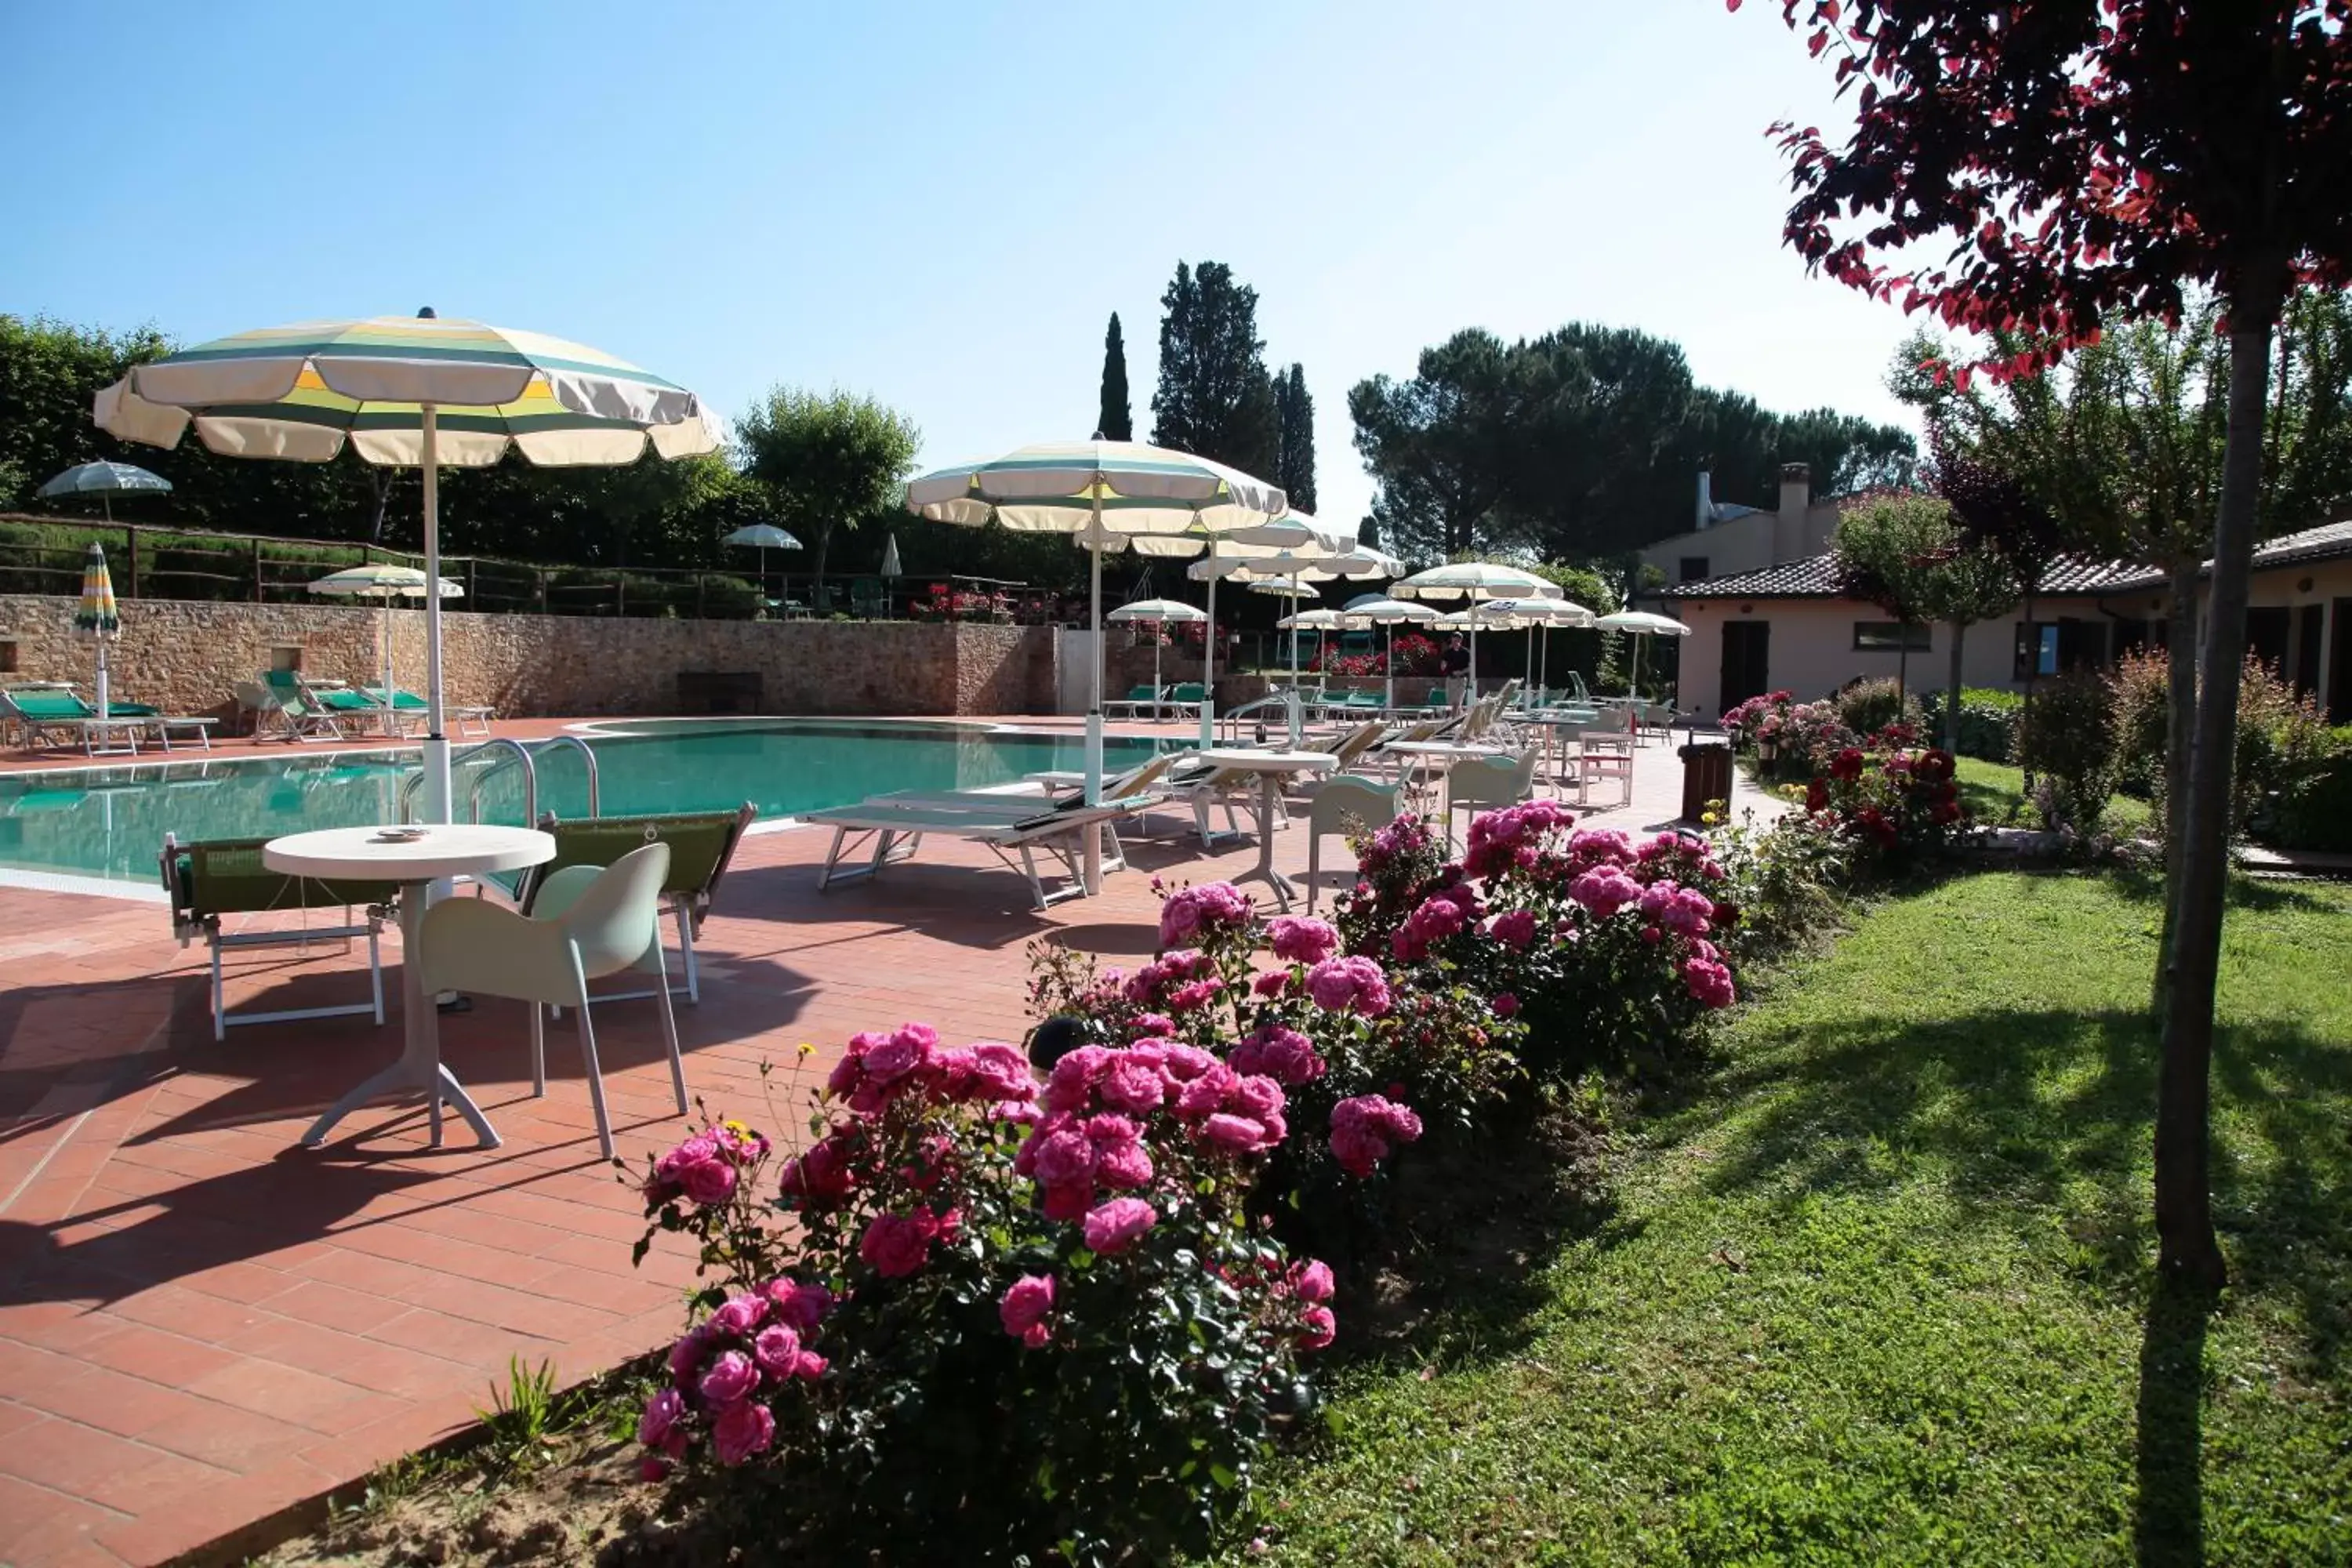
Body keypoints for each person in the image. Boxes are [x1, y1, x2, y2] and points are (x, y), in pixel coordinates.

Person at [1441, 633, 1472, 709]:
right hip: (1450, 680)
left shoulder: (1466, 653)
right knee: (1453, 703)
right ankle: (1460, 718)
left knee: (1457, 702)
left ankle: (1453, 718)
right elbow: (1443, 665)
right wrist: (1443, 665)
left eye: (1458, 640)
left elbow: (1470, 667)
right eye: (1454, 640)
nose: (1455, 642)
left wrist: (1461, 672)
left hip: (1461, 680)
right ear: (1452, 640)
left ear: (1461, 641)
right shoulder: (1448, 652)